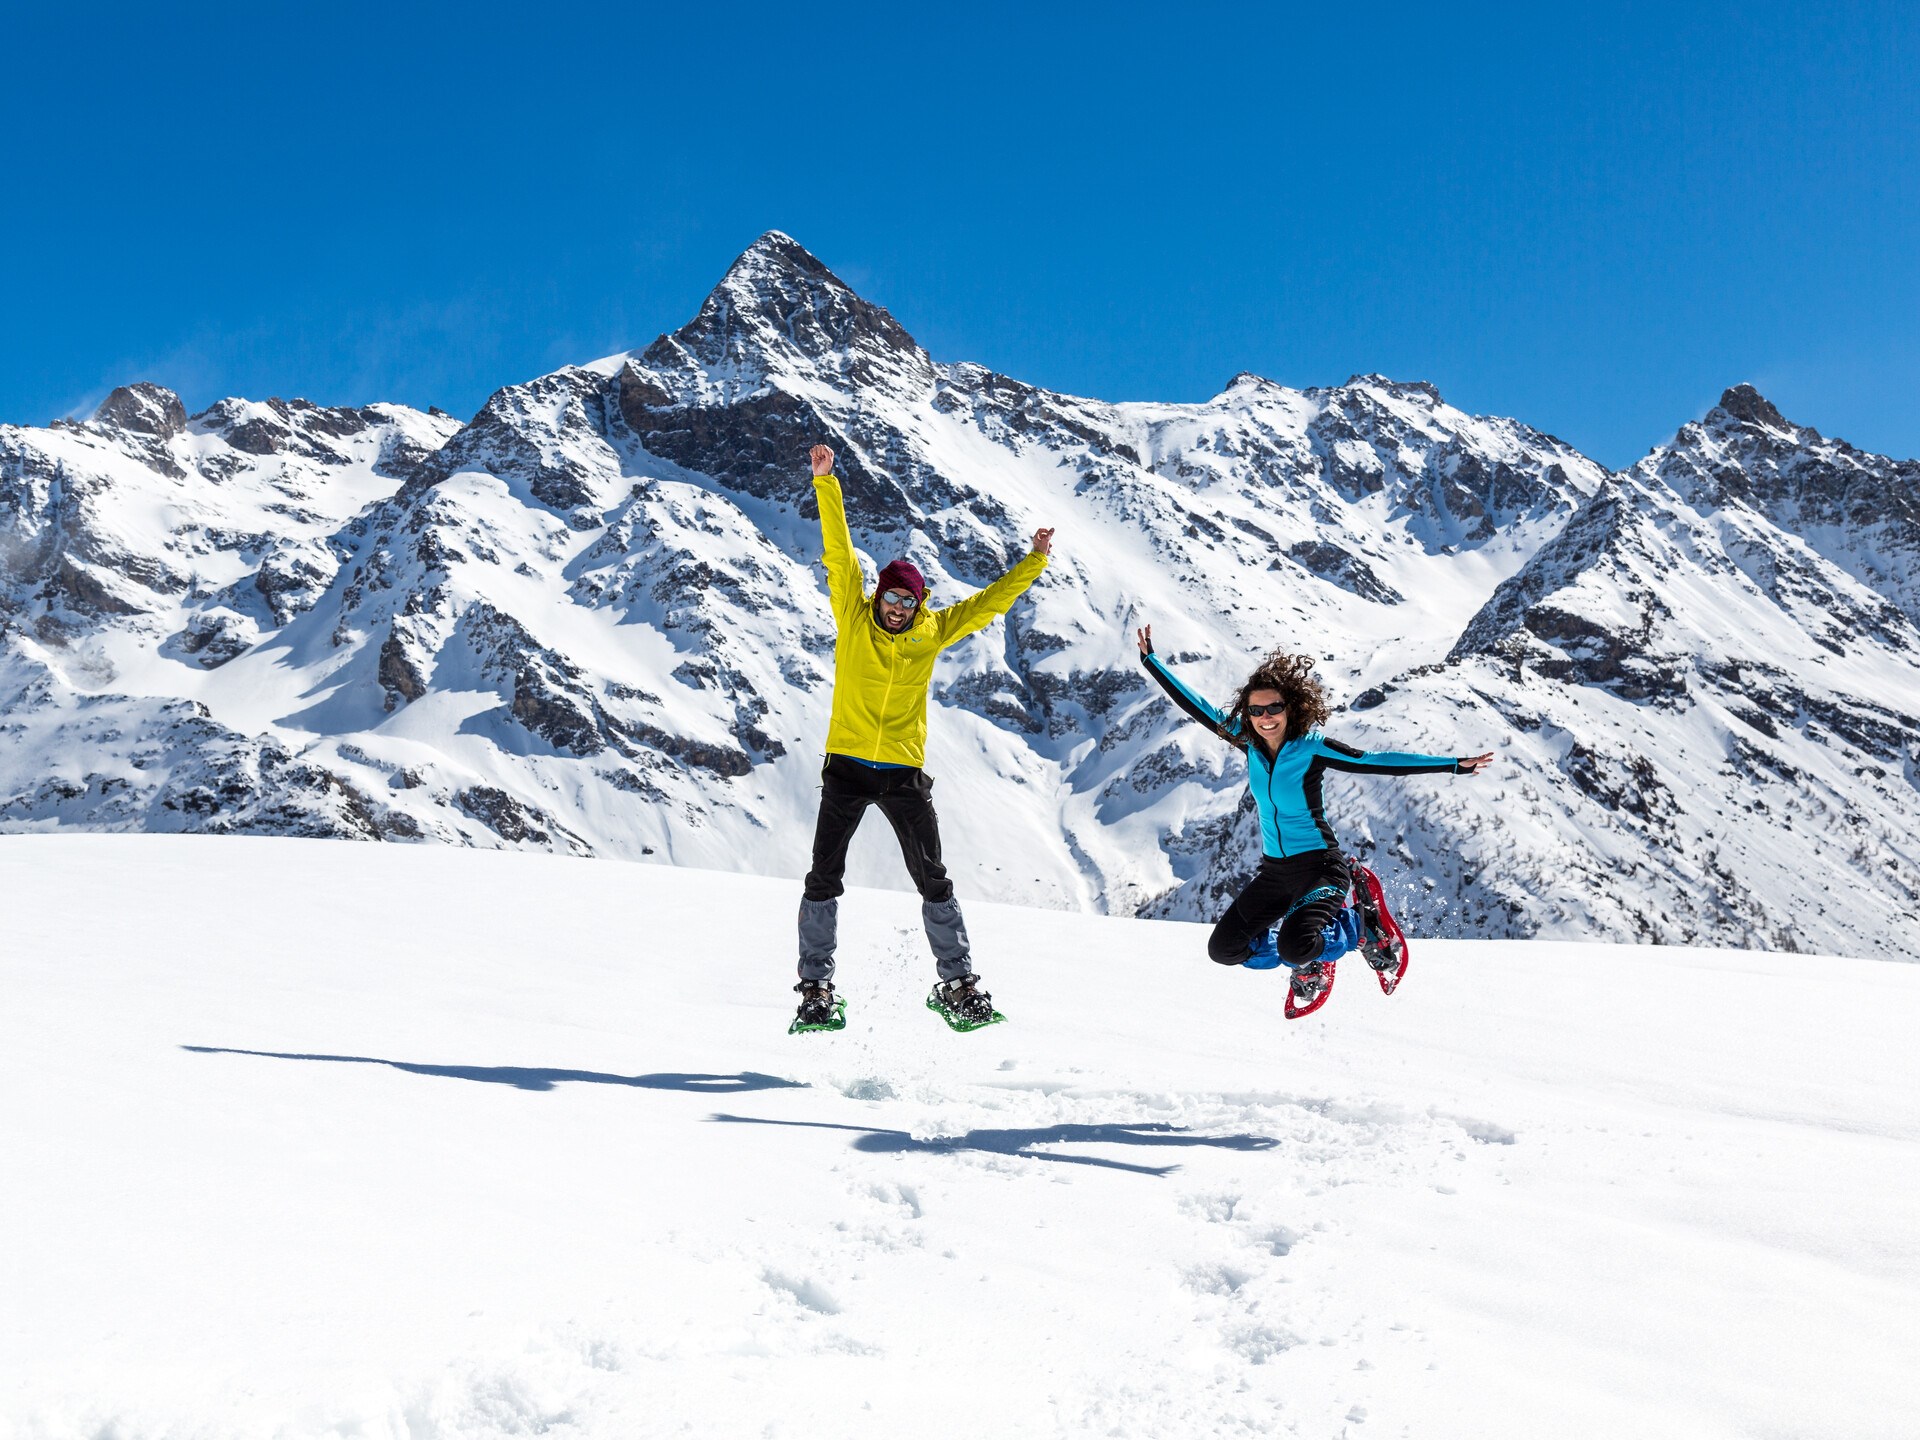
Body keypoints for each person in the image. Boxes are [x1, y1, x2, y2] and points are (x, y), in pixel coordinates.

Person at [794, 443, 1054, 1031]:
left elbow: (989, 605)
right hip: (848, 767)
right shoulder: (853, 618)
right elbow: (839, 555)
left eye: (906, 602)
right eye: (889, 597)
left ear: (917, 607)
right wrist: (826, 484)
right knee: (823, 876)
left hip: (904, 773)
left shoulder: (931, 632)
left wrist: (1033, 561)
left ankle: (958, 984)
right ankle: (815, 988)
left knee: (932, 878)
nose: (896, 609)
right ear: (877, 595)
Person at [1135, 624, 1491, 1010]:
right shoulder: (1248, 742)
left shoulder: (1311, 749)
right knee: (1225, 949)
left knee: (1295, 945)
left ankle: (1361, 927)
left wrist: (1452, 765)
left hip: (1320, 867)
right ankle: (1304, 961)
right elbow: (1197, 706)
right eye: (1256, 710)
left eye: (1274, 707)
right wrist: (1151, 661)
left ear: (1291, 708)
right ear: (1247, 713)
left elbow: (1374, 762)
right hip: (1275, 873)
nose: (1265, 717)